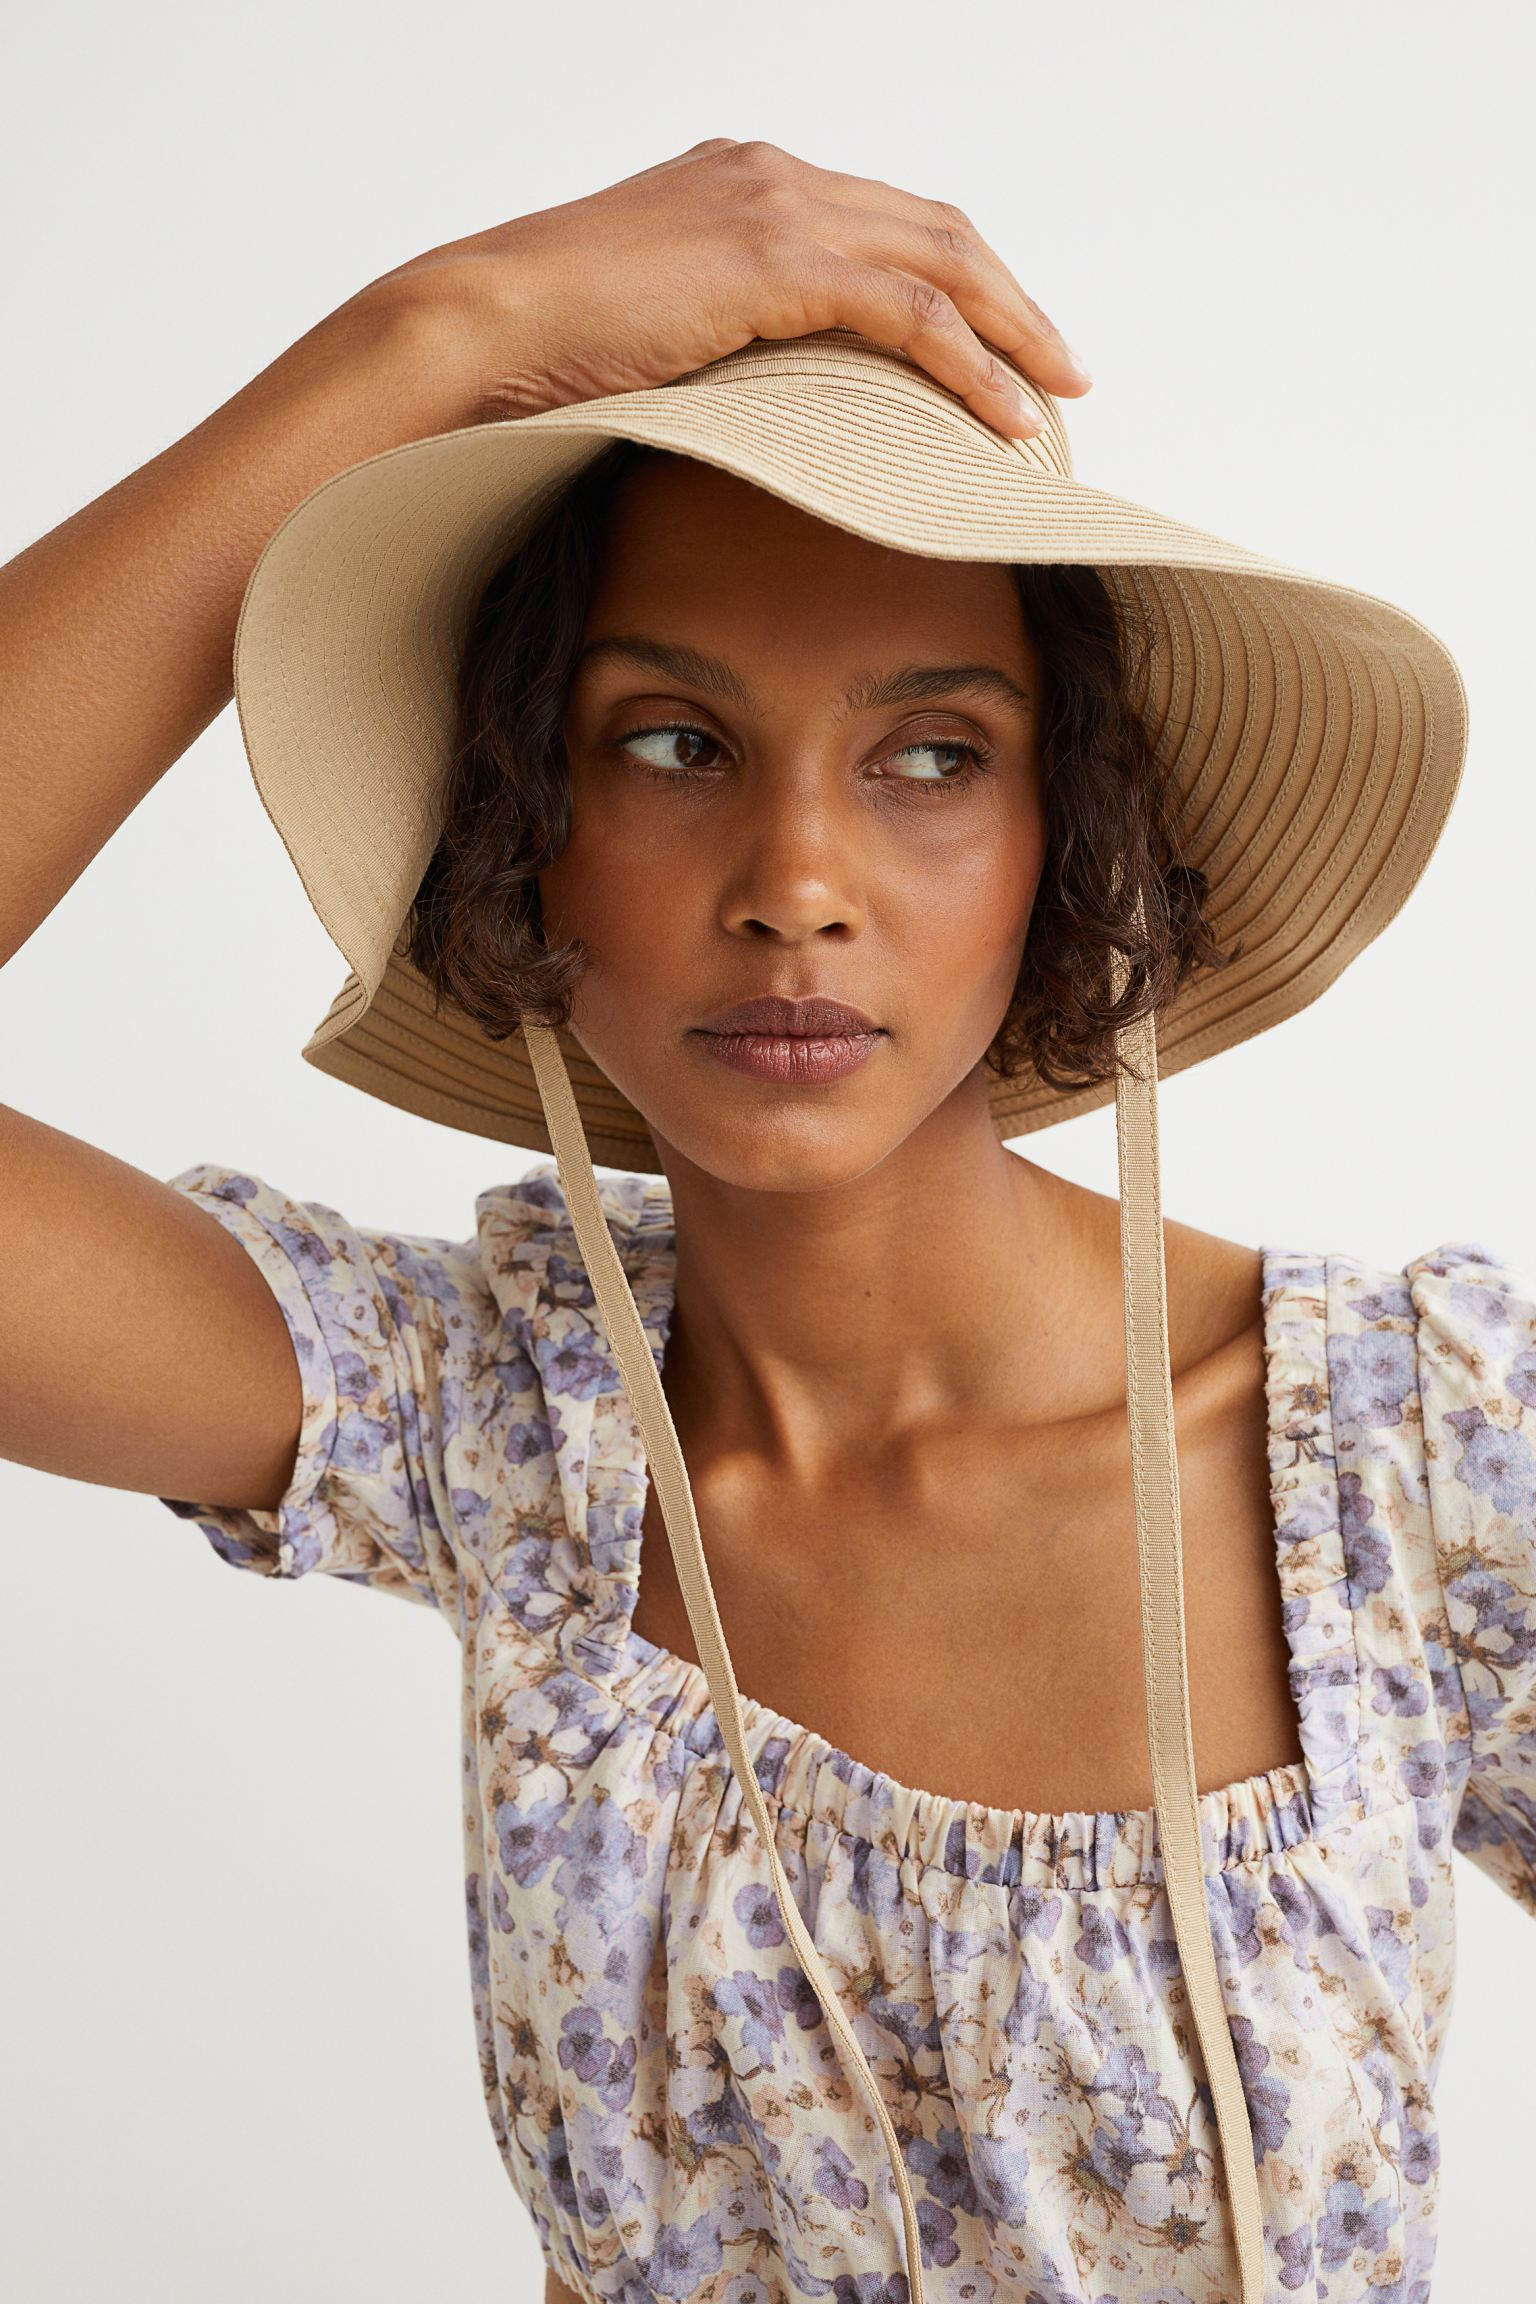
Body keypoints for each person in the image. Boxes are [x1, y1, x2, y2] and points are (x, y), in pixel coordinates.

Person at [2, 138, 1529, 2304]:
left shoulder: (1422, 1456)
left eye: (932, 754)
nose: (796, 881)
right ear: (519, 831)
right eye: (670, 742)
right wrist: (437, 332)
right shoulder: (502, 1431)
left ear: (1069, 834)